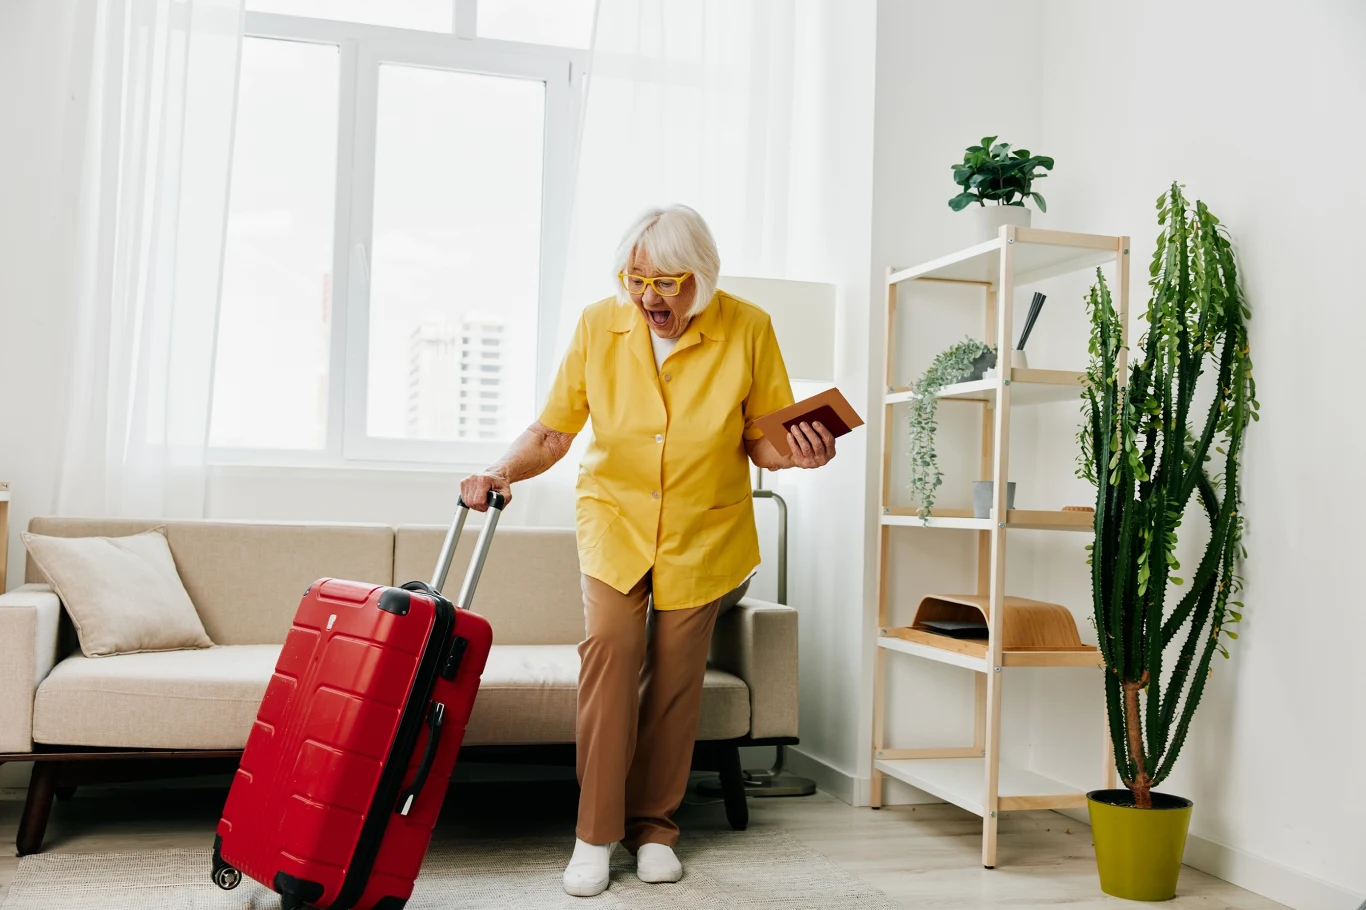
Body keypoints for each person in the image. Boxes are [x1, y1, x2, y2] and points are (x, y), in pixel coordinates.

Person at [460, 204, 837, 897]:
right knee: (609, 653)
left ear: (703, 277)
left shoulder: (747, 327)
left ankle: (656, 828)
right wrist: (499, 472)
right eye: (636, 280)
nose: (648, 297)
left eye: (666, 281)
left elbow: (761, 437)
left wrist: (797, 455)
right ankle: (594, 834)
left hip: (705, 528)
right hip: (615, 519)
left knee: (675, 676)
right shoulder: (597, 326)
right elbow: (552, 433)